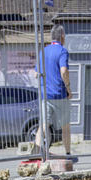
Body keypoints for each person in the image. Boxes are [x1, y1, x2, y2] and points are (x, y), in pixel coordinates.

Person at [35, 25, 72, 157]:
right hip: (60, 94)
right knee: (65, 126)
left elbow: (35, 74)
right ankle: (68, 153)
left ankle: (38, 152)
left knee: (43, 125)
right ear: (62, 36)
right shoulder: (62, 51)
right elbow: (64, 71)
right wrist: (68, 88)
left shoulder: (42, 52)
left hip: (46, 95)